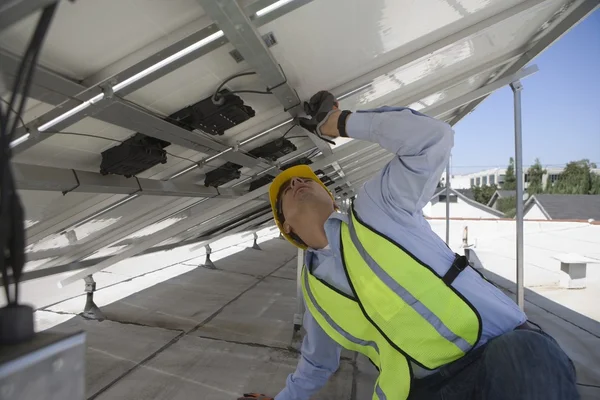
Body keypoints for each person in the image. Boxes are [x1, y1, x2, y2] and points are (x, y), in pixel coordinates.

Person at [237, 91, 578, 400]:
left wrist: (338, 123)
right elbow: (315, 364)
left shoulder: (377, 208)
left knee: (523, 357)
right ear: (287, 227)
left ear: (331, 198)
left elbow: (432, 139)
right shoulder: (314, 294)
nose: (297, 181)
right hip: (419, 390)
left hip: (498, 349)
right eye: (286, 191)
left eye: (307, 179)